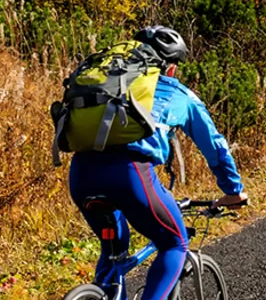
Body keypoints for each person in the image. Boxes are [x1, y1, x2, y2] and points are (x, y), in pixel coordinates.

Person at [68, 26, 248, 300]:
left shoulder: (111, 86)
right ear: (172, 67)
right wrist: (233, 191)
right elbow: (216, 147)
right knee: (175, 243)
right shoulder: (179, 95)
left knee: (114, 249)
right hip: (130, 176)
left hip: (81, 174)